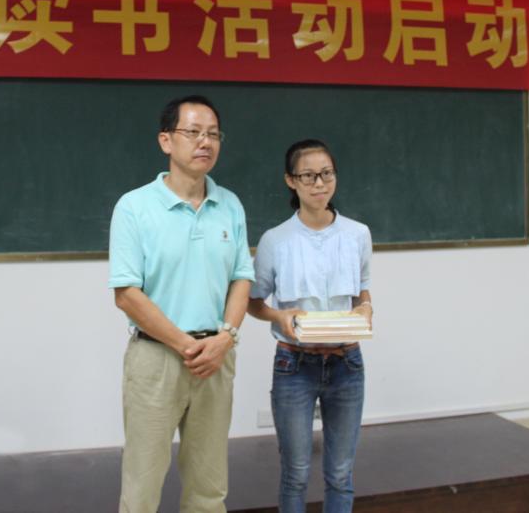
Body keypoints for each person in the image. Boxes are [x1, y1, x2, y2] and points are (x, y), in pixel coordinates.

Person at [109, 94, 254, 513]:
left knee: (209, 487)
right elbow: (126, 294)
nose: (205, 142)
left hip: (216, 357)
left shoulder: (230, 205)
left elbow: (241, 277)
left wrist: (226, 338)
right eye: (193, 132)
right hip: (157, 359)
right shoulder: (134, 207)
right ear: (166, 141)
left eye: (213, 134)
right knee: (142, 484)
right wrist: (185, 345)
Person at [248, 138, 373, 513]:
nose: (319, 183)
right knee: (296, 473)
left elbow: (362, 292)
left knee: (341, 473)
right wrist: (278, 316)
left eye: (327, 174)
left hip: (347, 364)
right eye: (308, 176)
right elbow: (253, 302)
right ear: (291, 180)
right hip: (294, 365)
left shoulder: (357, 234)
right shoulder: (275, 240)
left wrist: (366, 309)